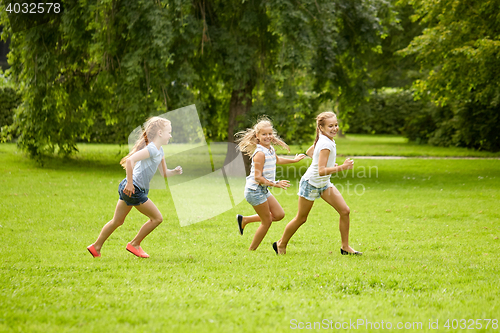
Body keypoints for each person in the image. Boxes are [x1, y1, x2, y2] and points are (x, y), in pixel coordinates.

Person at [87, 117, 182, 258]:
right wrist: (130, 183)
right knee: (157, 218)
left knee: (117, 221)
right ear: (160, 133)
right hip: (133, 189)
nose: (171, 135)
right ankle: (135, 244)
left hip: (130, 188)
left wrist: (174, 171)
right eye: (169, 132)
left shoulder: (160, 151)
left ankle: (96, 247)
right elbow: (131, 160)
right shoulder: (151, 149)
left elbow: (164, 174)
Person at [273, 111, 362, 255]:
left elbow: (310, 152)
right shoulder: (325, 144)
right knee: (301, 218)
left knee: (345, 211)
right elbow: (321, 171)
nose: (334, 128)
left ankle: (345, 247)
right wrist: (342, 167)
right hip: (311, 184)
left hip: (324, 183)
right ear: (321, 128)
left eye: (336, 125)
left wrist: (328, 163)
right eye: (330, 126)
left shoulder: (325, 139)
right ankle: (280, 244)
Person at [235, 117, 305, 250]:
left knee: (279, 215)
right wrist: (275, 184)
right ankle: (251, 250)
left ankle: (245, 220)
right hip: (254, 191)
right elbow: (257, 178)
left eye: (270, 134)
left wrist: (294, 161)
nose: (268, 136)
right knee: (266, 221)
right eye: (264, 134)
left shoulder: (270, 149)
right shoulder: (260, 153)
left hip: (262, 190)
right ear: (257, 136)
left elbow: (277, 159)